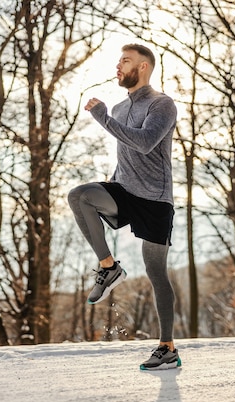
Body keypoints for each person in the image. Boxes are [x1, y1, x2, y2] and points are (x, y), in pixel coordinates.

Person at [67, 44, 179, 371]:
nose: (119, 66)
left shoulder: (162, 104)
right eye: (118, 61)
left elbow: (144, 143)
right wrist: (114, 182)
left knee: (156, 273)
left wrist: (101, 118)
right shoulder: (117, 108)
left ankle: (167, 347)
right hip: (125, 191)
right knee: (80, 195)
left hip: (156, 199)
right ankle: (108, 266)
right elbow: (125, 152)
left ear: (143, 67)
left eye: (125, 61)